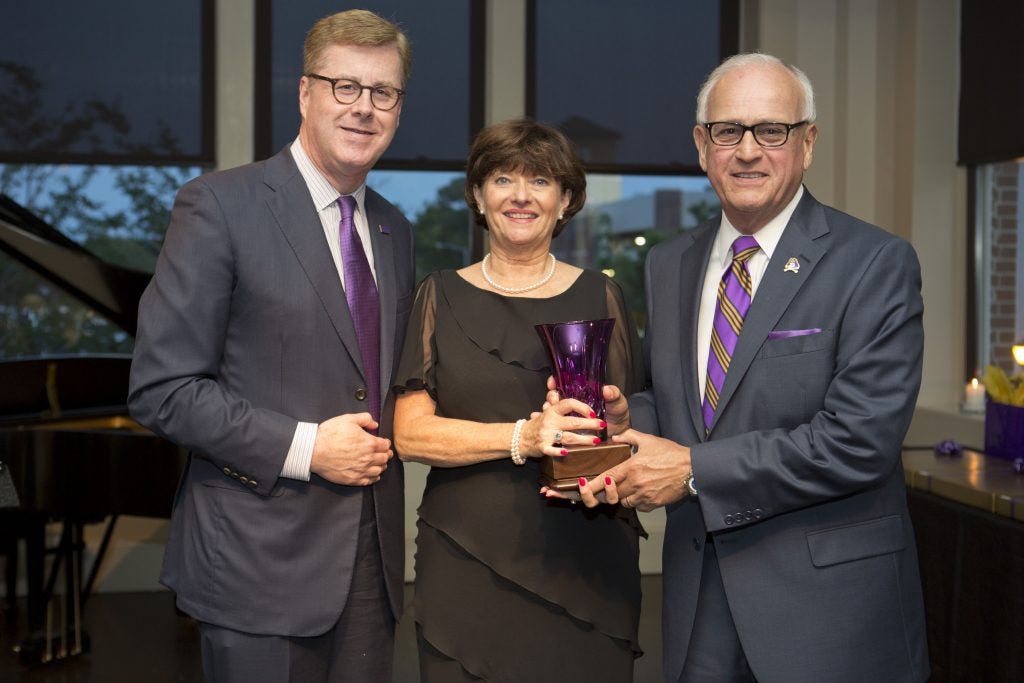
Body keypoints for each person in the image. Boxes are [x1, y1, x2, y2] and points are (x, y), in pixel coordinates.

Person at [576, 53, 930, 682]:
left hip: (827, 611)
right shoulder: (668, 263)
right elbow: (679, 402)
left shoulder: (874, 263)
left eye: (772, 131)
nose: (747, 151)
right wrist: (626, 419)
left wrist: (688, 470)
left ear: (808, 142)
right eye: (728, 131)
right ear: (700, 144)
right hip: (695, 595)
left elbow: (858, 443)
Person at [127, 10, 415, 682]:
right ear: (305, 93)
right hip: (257, 568)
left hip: (372, 571)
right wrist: (309, 447)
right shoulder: (219, 206)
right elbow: (161, 388)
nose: (364, 108)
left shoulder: (395, 229)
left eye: (384, 93)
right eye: (345, 86)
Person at [392, 118, 645, 681]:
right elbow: (408, 435)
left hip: (586, 556)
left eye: (542, 182)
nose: (521, 196)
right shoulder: (439, 294)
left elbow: (630, 419)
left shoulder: (602, 295)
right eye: (503, 179)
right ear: (478, 197)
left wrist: (619, 418)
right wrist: (525, 437)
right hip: (466, 555)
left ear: (566, 200)